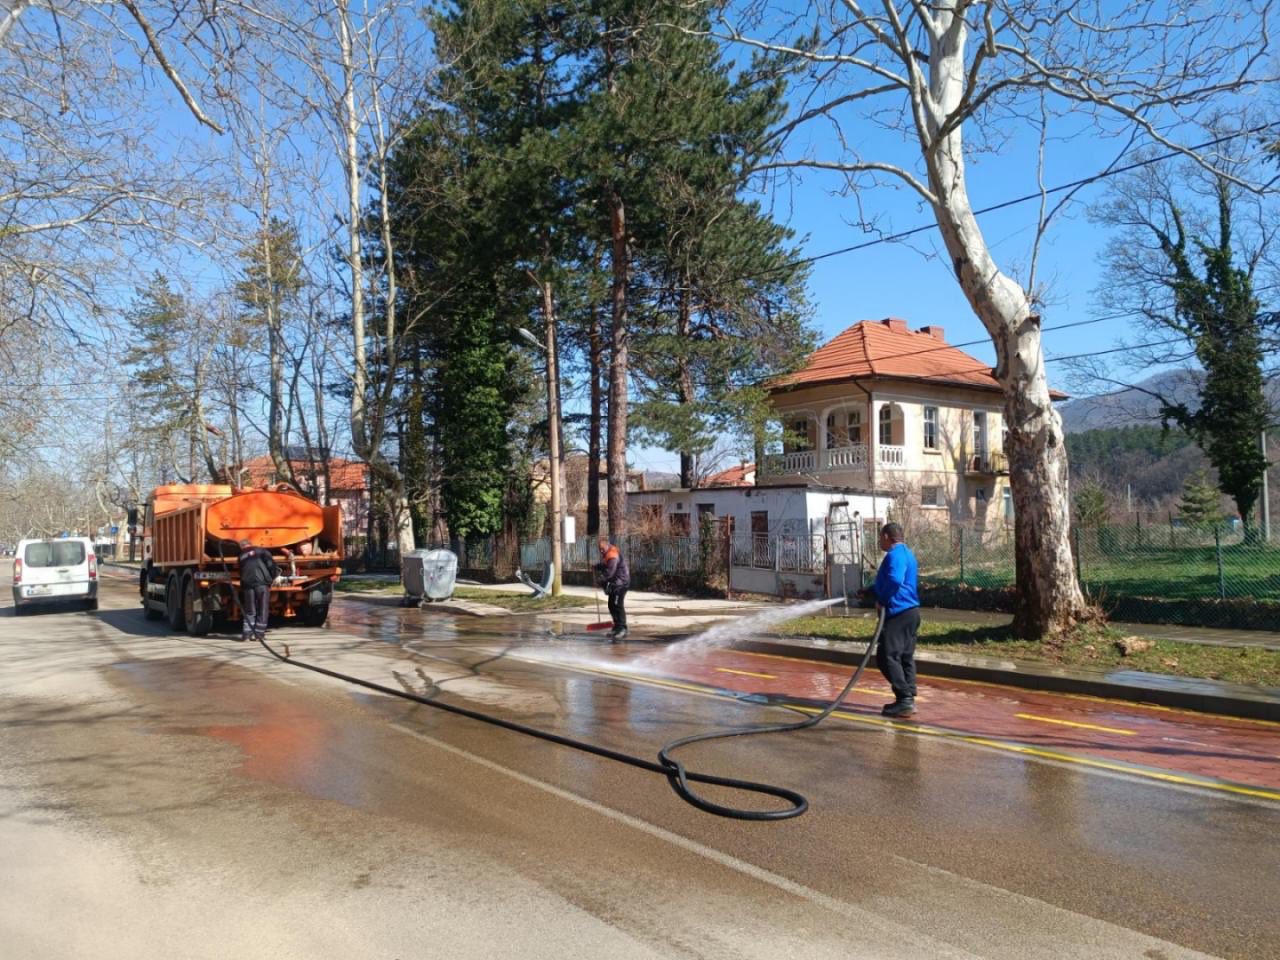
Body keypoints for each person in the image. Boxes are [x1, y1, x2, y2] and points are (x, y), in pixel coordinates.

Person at [866, 522, 920, 717]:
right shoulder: (907, 553)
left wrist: (882, 600)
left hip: (899, 613)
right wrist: (870, 591)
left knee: (886, 657)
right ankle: (908, 699)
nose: (879, 541)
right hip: (911, 612)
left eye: (880, 537)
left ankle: (904, 698)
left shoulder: (894, 554)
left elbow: (895, 580)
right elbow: (895, 580)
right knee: (904, 656)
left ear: (886, 537)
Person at [237, 538, 280, 642]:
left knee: (250, 610)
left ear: (242, 547)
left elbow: (240, 571)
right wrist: (275, 575)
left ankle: (247, 635)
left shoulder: (241, 555)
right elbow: (271, 565)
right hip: (262, 584)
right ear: (250, 544)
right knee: (263, 609)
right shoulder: (262, 551)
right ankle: (259, 635)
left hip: (248, 585)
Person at [595, 536, 630, 640]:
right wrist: (597, 566)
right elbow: (606, 564)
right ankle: (616, 627)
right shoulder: (608, 553)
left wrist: (600, 579)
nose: (601, 551)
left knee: (617, 605)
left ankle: (622, 629)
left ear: (607, 545)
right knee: (611, 605)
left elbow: (610, 571)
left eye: (602, 549)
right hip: (615, 583)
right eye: (599, 549)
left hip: (621, 583)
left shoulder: (612, 555)